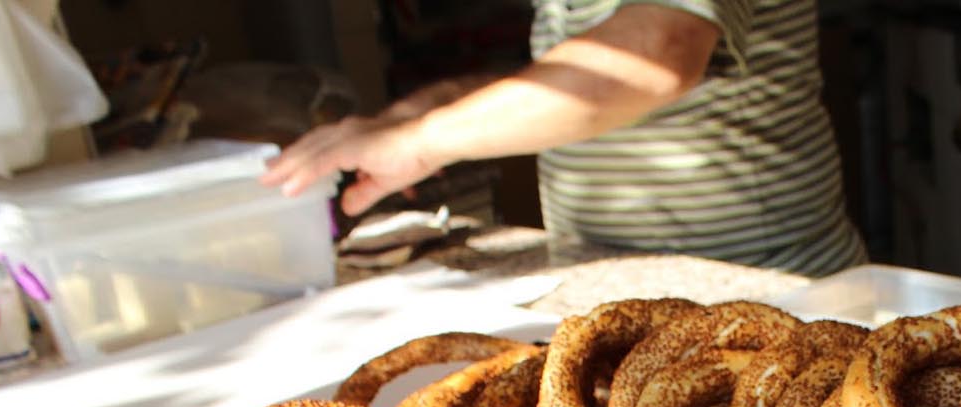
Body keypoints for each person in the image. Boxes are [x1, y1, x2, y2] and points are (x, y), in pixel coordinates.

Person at [262, 0, 867, 277]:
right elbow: (584, 76)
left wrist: (426, 139)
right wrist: (433, 109)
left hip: (770, 292)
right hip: (624, 289)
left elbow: (662, 47)